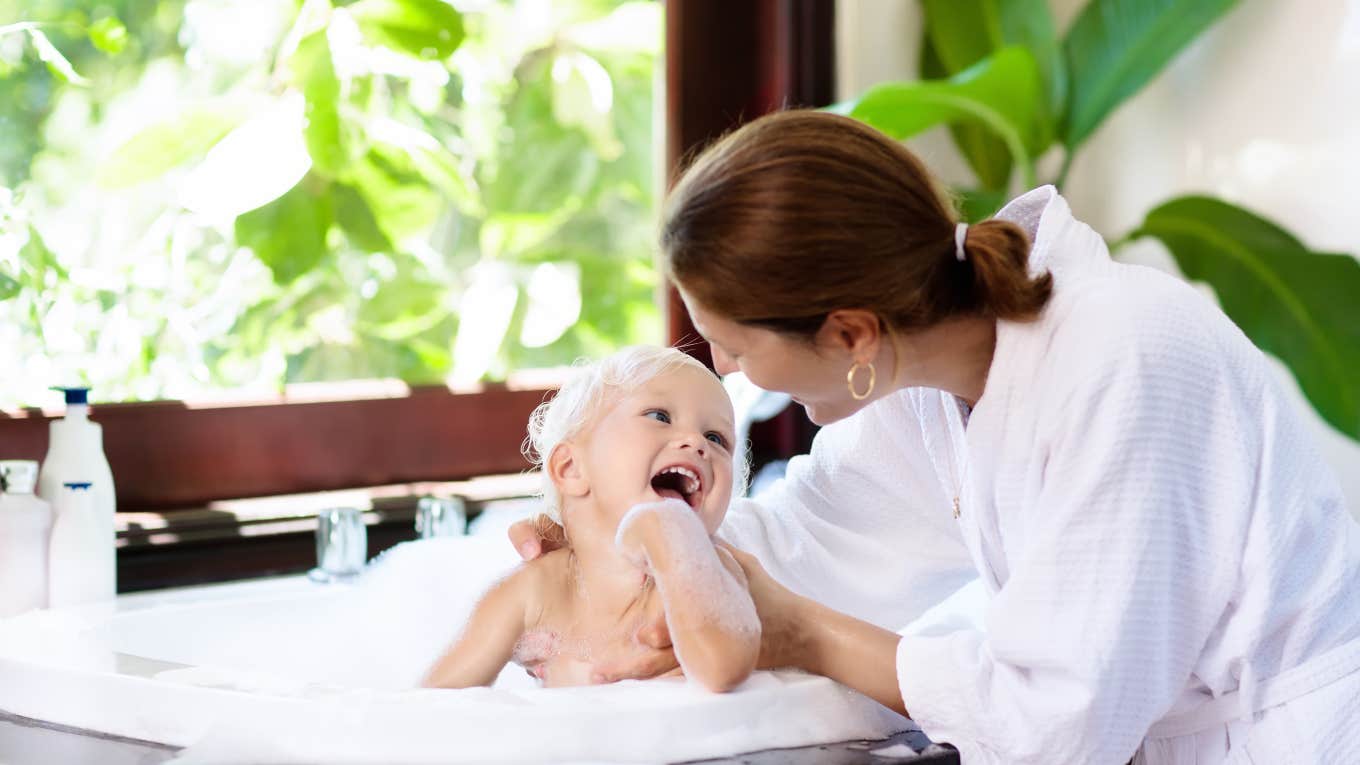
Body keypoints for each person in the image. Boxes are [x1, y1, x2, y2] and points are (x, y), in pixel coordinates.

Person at [510, 110, 1360, 764]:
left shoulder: (1121, 365)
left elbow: (1055, 721)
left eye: (734, 342)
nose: (725, 368)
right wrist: (607, 560)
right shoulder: (925, 379)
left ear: (848, 336)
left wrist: (802, 633)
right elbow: (818, 537)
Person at [423, 345, 759, 692]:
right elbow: (431, 704)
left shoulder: (707, 572)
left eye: (716, 438)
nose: (696, 442)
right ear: (570, 469)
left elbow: (724, 670)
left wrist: (675, 543)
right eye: (659, 416)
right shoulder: (532, 593)